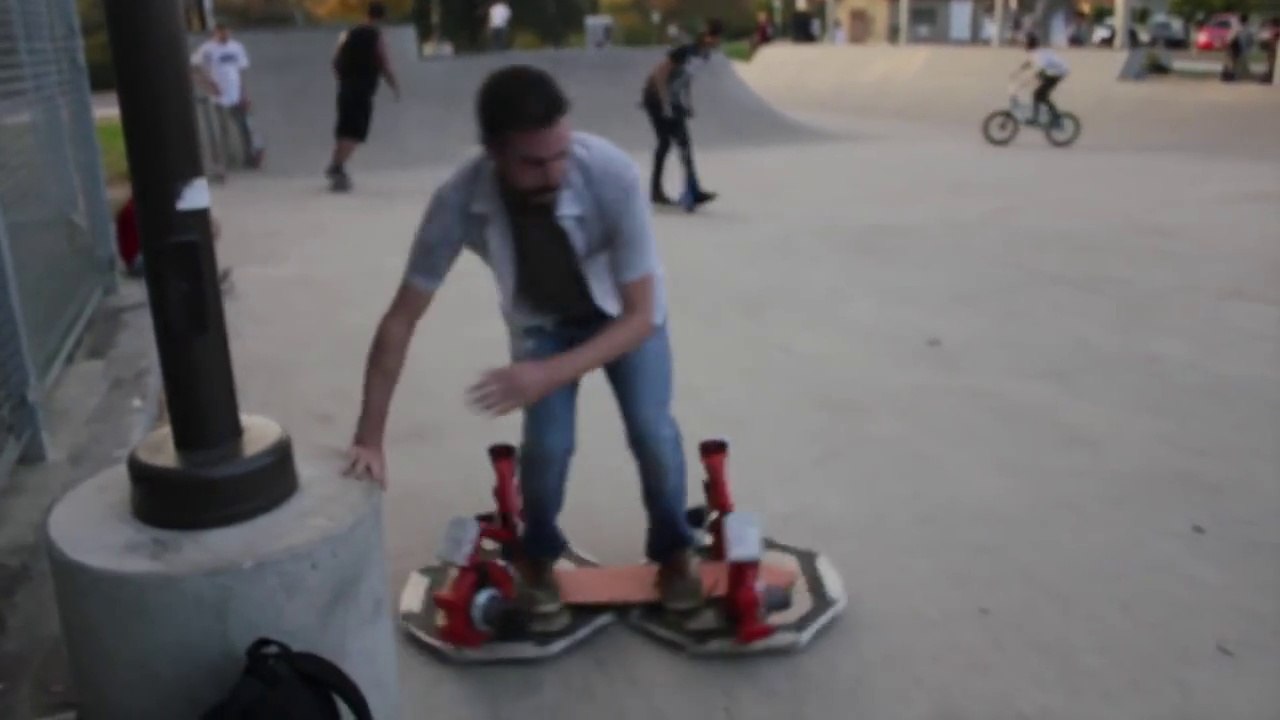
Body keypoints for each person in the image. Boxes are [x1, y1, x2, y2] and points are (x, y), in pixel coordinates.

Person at [344, 65, 704, 614]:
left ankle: (674, 549)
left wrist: (547, 375)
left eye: (560, 153)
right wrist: (370, 437)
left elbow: (639, 318)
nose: (555, 173)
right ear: (493, 151)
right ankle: (538, 553)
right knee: (548, 448)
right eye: (534, 163)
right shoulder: (457, 200)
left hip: (622, 316)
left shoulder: (609, 173)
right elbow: (400, 319)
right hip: (543, 325)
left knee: (652, 431)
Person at [641, 19, 723, 207]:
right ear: (707, 37)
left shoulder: (704, 57)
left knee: (676, 143)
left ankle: (687, 189)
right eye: (715, 38)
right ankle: (669, 191)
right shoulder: (685, 51)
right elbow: (659, 73)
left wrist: (688, 102)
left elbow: (687, 79)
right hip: (655, 98)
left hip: (673, 99)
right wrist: (665, 103)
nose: (717, 42)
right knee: (672, 142)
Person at [327, 1, 401, 192]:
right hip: (362, 90)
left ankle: (336, 166)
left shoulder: (349, 33)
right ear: (382, 18)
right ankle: (336, 167)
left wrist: (343, 79)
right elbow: (383, 61)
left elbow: (335, 61)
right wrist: (394, 85)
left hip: (346, 89)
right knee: (356, 132)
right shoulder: (376, 35)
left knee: (345, 129)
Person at [190, 23, 264, 169]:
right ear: (216, 32)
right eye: (222, 33)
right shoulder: (207, 49)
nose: (225, 36)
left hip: (237, 94)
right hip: (219, 97)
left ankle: (249, 157)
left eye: (227, 33)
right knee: (223, 128)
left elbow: (241, 72)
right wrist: (209, 85)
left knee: (245, 127)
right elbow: (193, 68)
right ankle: (225, 160)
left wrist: (244, 94)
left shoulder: (236, 47)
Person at [1011, 33, 1068, 126]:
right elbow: (1029, 63)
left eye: (1024, 44)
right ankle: (1040, 117)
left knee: (1039, 94)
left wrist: (1023, 84)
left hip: (1057, 73)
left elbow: (1038, 72)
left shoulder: (1038, 55)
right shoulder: (1035, 53)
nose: (1023, 46)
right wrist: (1017, 71)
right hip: (1052, 71)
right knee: (1038, 94)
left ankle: (1055, 118)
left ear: (1029, 45)